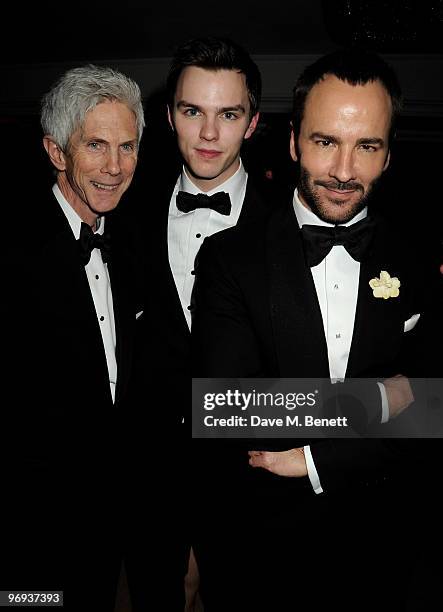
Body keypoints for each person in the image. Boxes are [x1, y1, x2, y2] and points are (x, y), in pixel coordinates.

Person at [192, 48, 442, 611]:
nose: (345, 172)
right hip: (265, 549)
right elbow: (228, 409)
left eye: (367, 147)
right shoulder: (231, 258)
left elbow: (433, 407)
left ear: (389, 153)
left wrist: (314, 457)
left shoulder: (418, 260)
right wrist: (381, 396)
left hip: (385, 547)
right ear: (292, 141)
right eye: (326, 142)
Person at [2, 64, 184, 611]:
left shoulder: (133, 244)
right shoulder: (12, 252)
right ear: (57, 152)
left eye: (127, 146)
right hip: (29, 527)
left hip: (110, 523)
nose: (115, 166)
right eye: (96, 145)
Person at [128, 35, 281, 603]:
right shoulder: (124, 213)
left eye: (229, 114)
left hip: (250, 485)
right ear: (170, 116)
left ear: (254, 121)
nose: (210, 134)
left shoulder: (288, 231)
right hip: (148, 482)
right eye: (193, 112)